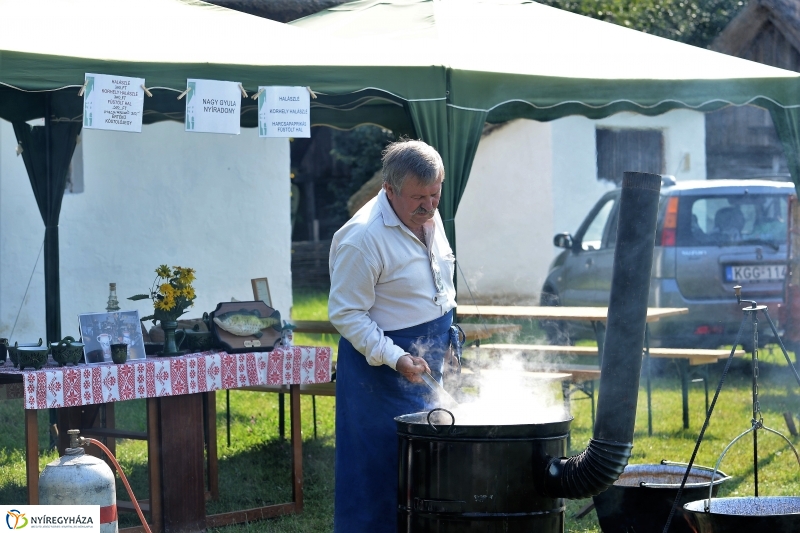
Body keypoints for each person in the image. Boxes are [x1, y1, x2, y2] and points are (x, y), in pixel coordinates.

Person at [328, 139, 457, 532]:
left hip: (427, 359)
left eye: (435, 194)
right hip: (377, 375)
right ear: (388, 189)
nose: (430, 206)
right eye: (419, 197)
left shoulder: (427, 218)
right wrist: (394, 357)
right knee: (378, 472)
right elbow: (347, 314)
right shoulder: (361, 238)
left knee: (428, 472)